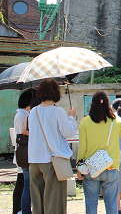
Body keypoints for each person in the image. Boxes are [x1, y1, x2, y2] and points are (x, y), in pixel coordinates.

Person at [77, 91, 121, 214]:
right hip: (111, 168)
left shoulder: (85, 122)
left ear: (92, 104)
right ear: (108, 104)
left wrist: (79, 167)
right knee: (112, 206)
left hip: (91, 169)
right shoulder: (117, 121)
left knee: (91, 206)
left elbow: (82, 148)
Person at [28, 79, 77, 214]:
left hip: (34, 161)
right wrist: (72, 117)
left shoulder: (33, 112)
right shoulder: (58, 112)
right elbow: (68, 132)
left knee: (37, 202)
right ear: (56, 92)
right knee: (54, 202)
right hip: (52, 161)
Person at [12, 90, 33, 214]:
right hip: (23, 153)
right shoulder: (21, 115)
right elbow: (22, 133)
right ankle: (18, 209)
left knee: (22, 183)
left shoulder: (24, 113)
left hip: (23, 153)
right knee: (21, 184)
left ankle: (19, 209)